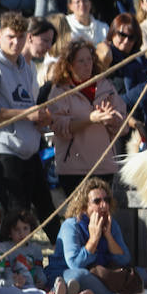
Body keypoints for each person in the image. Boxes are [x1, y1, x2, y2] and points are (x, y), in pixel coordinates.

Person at [0, 13, 54, 224]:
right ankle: (15, 257)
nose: (16, 42)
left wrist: (40, 118)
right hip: (3, 149)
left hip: (28, 148)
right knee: (17, 215)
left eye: (20, 37)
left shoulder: (27, 66)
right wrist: (27, 114)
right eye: (11, 36)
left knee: (46, 208)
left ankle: (60, 255)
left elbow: (27, 106)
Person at [49, 179, 147, 294]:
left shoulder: (111, 225)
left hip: (101, 274)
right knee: (80, 277)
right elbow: (74, 264)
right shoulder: (71, 226)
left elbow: (125, 259)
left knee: (141, 273)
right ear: (84, 206)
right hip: (68, 272)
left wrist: (108, 236)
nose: (104, 205)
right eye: (97, 201)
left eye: (107, 200)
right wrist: (93, 239)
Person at [0, 201, 89, 294]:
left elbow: (7, 270)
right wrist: (6, 282)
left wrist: (13, 279)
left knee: (32, 290)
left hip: (8, 285)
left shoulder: (0, 247)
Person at [48, 38, 126, 194]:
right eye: (81, 61)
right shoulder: (60, 90)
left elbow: (122, 123)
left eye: (89, 59)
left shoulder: (106, 86)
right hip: (74, 169)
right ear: (69, 65)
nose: (87, 64)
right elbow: (58, 126)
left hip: (104, 166)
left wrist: (112, 119)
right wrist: (91, 119)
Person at [97, 13, 147, 99]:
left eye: (131, 37)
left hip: (137, 107)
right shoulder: (107, 55)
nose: (126, 41)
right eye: (122, 35)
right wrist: (104, 48)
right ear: (113, 32)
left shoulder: (141, 60)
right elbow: (102, 56)